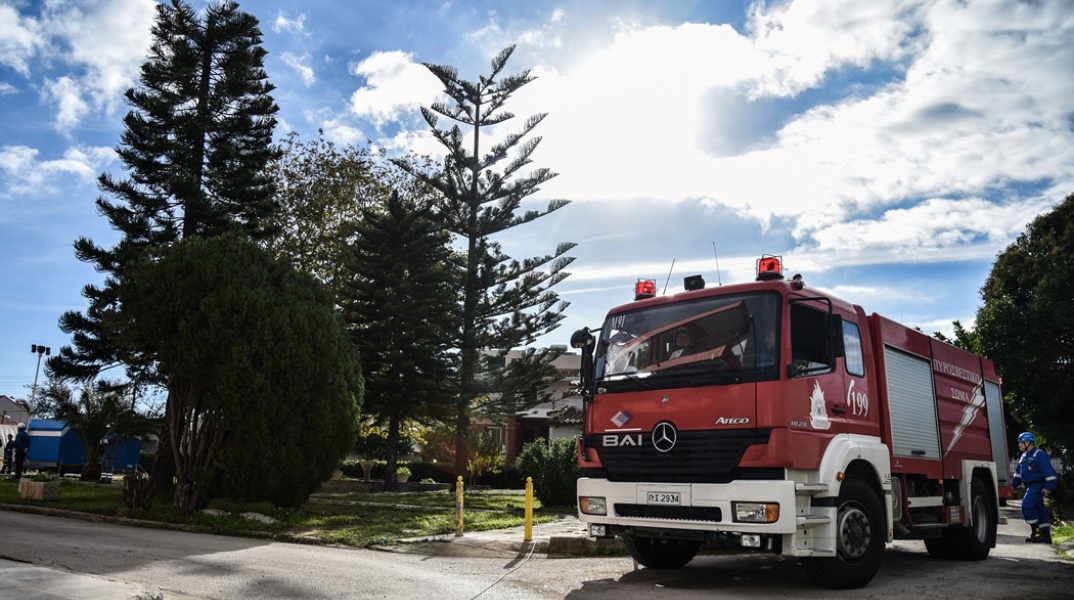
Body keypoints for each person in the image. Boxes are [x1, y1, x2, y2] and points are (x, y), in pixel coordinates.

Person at [1011, 431, 1058, 544]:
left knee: (1026, 506)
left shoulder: (1039, 454)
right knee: (1039, 510)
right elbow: (1018, 474)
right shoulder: (1024, 456)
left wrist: (1049, 486)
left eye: (1021, 442)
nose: (1019, 445)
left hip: (1037, 486)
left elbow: (1048, 472)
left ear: (1028, 442)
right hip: (1030, 486)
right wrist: (1012, 485)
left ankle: (1036, 532)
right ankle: (1046, 535)